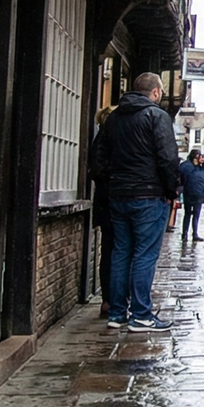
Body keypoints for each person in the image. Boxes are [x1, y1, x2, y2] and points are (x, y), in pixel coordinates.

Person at [90, 72, 180, 332]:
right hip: (149, 196)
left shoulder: (114, 118)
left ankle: (117, 313)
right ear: (155, 92)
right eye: (160, 92)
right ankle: (141, 314)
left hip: (118, 196)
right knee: (144, 254)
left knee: (121, 252)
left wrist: (115, 182)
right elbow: (167, 158)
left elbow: (99, 157)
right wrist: (170, 190)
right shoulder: (156, 116)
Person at [90, 104, 117, 318]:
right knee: (121, 250)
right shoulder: (112, 141)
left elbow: (95, 169)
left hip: (103, 201)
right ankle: (115, 299)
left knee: (107, 250)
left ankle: (108, 300)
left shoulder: (98, 139)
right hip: (115, 200)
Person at [178, 149, 204, 242]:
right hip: (189, 192)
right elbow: (181, 176)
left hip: (199, 193)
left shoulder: (202, 167)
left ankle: (194, 234)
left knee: (196, 214)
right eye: (198, 156)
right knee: (188, 214)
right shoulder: (187, 166)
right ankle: (185, 234)